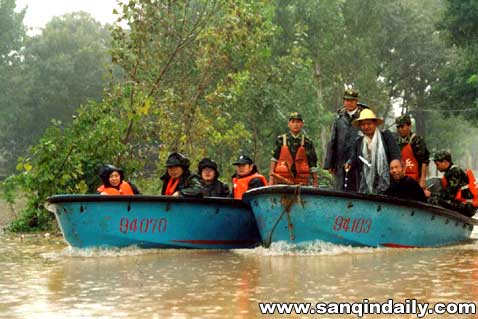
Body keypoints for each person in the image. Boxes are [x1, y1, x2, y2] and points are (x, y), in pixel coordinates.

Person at [345, 109, 401, 194]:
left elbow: (396, 156)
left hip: (388, 185)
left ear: (375, 124)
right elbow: (354, 159)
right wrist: (349, 162)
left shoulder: (386, 137)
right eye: (363, 124)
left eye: (369, 123)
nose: (366, 127)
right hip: (365, 185)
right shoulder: (358, 142)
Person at [324, 88, 368, 191]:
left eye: (352, 100)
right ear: (344, 101)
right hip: (340, 160)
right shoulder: (339, 118)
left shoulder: (364, 117)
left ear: (356, 101)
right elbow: (333, 140)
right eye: (347, 100)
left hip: (359, 161)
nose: (349, 103)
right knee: (339, 189)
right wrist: (330, 162)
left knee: (358, 189)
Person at [269, 112, 318, 186]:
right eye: (293, 122)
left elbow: (312, 163)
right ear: (289, 124)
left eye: (298, 122)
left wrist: (315, 181)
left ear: (302, 124)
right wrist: (271, 180)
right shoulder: (281, 140)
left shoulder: (307, 142)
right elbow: (274, 159)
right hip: (282, 181)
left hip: (301, 182)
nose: (295, 124)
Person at [433, 150, 477, 217]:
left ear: (445, 162)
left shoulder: (454, 172)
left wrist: (431, 194)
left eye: (437, 164)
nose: (437, 167)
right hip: (466, 204)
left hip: (467, 206)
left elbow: (450, 195)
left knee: (434, 200)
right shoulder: (451, 171)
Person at [395, 114, 430, 189]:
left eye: (402, 126)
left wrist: (423, 179)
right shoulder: (395, 141)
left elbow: (424, 161)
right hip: (399, 179)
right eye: (398, 127)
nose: (400, 129)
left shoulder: (417, 140)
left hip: (415, 180)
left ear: (409, 126)